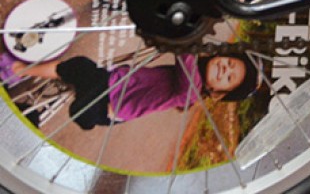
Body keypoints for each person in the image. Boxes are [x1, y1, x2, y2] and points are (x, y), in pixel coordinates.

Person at [11, 50, 258, 130]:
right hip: (109, 88)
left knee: (79, 67)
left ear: (217, 92)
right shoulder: (187, 74)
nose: (223, 69)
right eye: (227, 63)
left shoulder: (190, 91)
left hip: (104, 104)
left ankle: (17, 70)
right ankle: (36, 110)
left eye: (227, 77)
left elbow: (186, 52)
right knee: (81, 74)